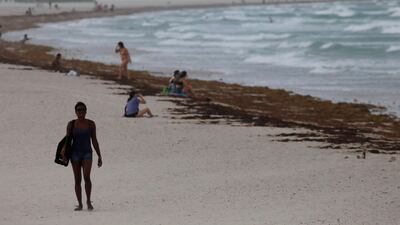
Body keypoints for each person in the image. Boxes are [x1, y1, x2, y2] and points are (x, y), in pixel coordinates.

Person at [61, 102, 102, 211]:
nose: (81, 112)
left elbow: (94, 140)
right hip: (75, 154)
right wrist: (64, 153)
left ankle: (88, 201)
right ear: (75, 112)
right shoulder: (71, 124)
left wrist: (99, 155)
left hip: (87, 153)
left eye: (83, 110)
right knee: (77, 179)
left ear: (86, 111)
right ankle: (80, 204)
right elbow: (67, 140)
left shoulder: (91, 124)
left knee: (87, 177)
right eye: (78, 110)